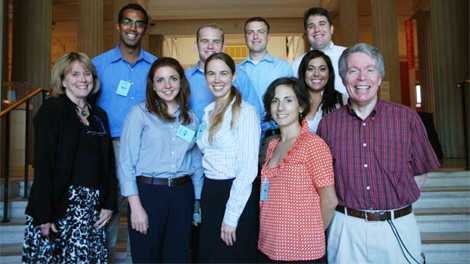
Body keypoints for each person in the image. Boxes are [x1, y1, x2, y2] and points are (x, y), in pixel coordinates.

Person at [317, 43, 440, 264]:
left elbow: (420, 175)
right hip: (346, 229)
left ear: (380, 77)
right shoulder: (328, 125)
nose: (362, 78)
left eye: (370, 70)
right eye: (353, 71)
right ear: (344, 80)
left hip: (398, 226)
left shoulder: (407, 119)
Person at [22, 52, 117, 263]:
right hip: (60, 207)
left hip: (90, 210)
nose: (83, 80)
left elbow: (108, 164)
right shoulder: (53, 110)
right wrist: (44, 214)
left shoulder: (99, 116)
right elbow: (44, 165)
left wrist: (109, 203)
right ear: (63, 80)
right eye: (74, 74)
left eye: (87, 74)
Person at [184, 23, 263, 262]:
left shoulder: (246, 112)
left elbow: (248, 170)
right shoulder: (207, 112)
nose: (217, 80)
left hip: (236, 195)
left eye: (223, 73)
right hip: (211, 193)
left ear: (234, 76)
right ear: (204, 76)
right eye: (211, 73)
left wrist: (231, 217)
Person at [118, 57, 203, 263]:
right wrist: (135, 207)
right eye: (160, 80)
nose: (167, 85)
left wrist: (197, 203)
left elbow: (196, 163)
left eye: (173, 79)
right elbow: (126, 163)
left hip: (182, 196)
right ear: (152, 86)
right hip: (148, 194)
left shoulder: (191, 118)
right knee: (146, 257)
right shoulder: (139, 114)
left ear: (181, 82)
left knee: (178, 258)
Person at [92, 3, 157, 262]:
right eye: (128, 22)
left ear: (145, 28)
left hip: (146, 149)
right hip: (110, 147)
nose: (133, 28)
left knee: (142, 214)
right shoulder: (98, 65)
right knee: (107, 212)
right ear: (119, 25)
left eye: (139, 23)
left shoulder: (155, 67)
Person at [258, 77, 337, 263]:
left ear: (301, 106)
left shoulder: (313, 145)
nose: (280, 107)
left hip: (302, 251)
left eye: (288, 100)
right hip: (269, 246)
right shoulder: (272, 145)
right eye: (275, 101)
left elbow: (330, 200)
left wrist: (310, 234)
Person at [237, 17, 294, 165]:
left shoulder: (283, 68)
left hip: (274, 138)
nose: (255, 36)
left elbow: (293, 103)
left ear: (268, 37)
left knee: (273, 185)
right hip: (243, 140)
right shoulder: (236, 71)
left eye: (260, 32)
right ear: (245, 38)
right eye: (251, 32)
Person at [185, 23, 264, 123]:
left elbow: (257, 114)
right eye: (205, 41)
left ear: (223, 47)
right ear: (196, 46)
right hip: (196, 138)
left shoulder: (239, 75)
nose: (210, 46)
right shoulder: (185, 77)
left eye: (216, 42)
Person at [291, 7, 347, 94]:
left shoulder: (348, 56)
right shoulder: (296, 65)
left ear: (331, 29)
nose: (317, 30)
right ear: (306, 32)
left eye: (322, 24)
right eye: (311, 26)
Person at [298, 50, 348, 134]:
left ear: (329, 73)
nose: (316, 74)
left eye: (322, 69)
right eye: (310, 69)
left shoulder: (342, 100)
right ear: (303, 73)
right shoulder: (295, 101)